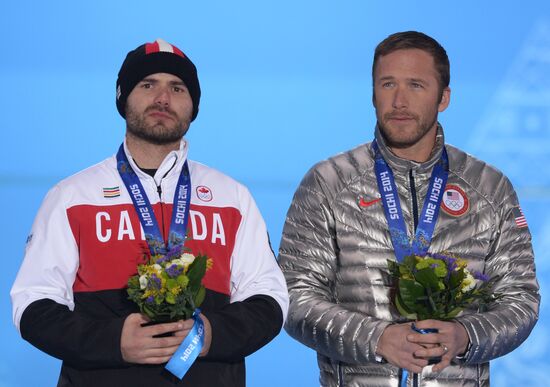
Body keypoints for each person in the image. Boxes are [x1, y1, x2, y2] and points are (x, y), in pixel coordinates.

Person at [11, 38, 288, 387]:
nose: (162, 98)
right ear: (122, 97)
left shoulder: (232, 197)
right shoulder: (71, 196)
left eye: (177, 87)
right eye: (147, 85)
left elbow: (270, 300)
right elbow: (32, 305)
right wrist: (113, 341)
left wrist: (209, 334)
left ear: (193, 106)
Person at [278, 31, 540, 387]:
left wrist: (464, 335)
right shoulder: (328, 182)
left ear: (443, 97)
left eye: (416, 85)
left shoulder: (490, 188)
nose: (399, 101)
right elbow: (294, 297)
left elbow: (520, 300)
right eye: (387, 84)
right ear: (373, 93)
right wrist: (378, 339)